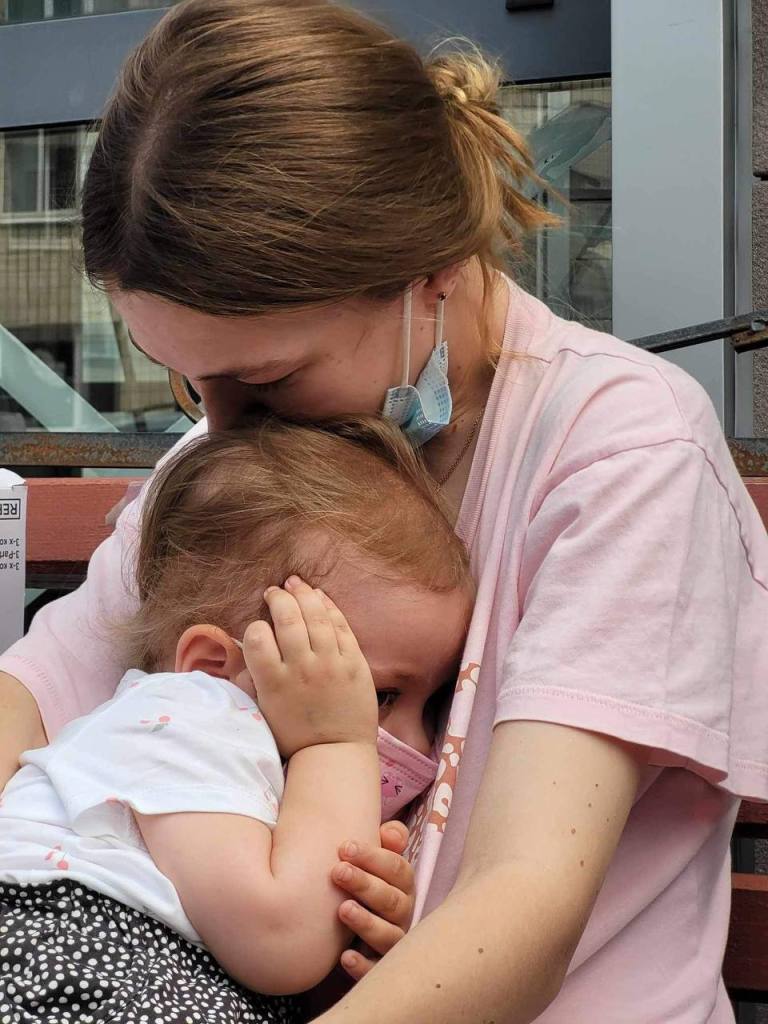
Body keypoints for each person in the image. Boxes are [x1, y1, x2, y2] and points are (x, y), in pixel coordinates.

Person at [0, 0, 766, 1020]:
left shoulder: (623, 453)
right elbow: (32, 700)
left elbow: (521, 907)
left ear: (431, 275)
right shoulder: (245, 458)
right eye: (184, 380)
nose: (215, 428)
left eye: (266, 377)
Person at [0, 424, 472, 1022]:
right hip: (66, 967)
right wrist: (336, 743)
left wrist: (354, 926)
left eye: (432, 704)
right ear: (213, 666)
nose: (418, 743)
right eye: (378, 695)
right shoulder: (183, 720)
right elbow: (283, 944)